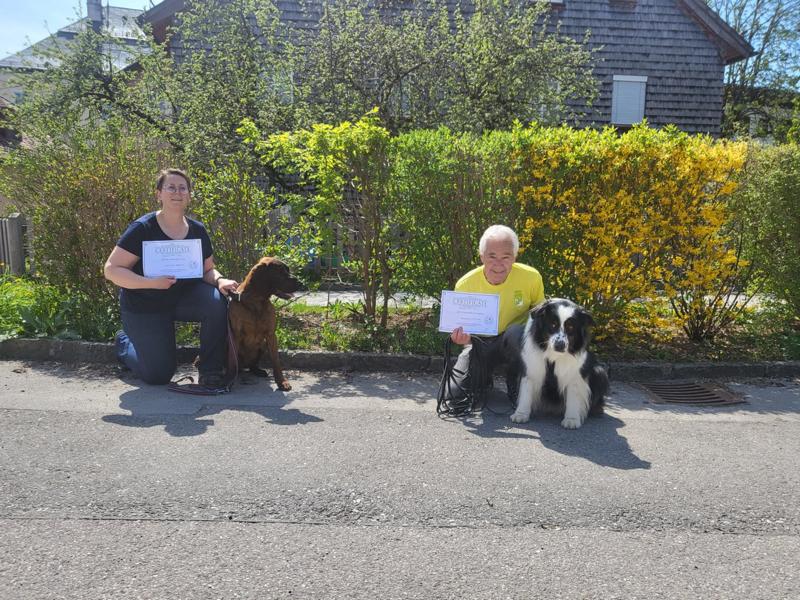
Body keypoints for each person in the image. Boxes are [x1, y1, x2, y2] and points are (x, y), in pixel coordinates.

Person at [104, 168, 238, 387]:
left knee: (216, 301)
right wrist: (151, 283)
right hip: (145, 304)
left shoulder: (197, 230)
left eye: (183, 188)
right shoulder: (142, 229)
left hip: (183, 298)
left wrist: (220, 280)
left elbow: (207, 270)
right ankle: (124, 344)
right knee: (157, 376)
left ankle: (210, 370)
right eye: (171, 187)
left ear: (189, 195)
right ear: (159, 194)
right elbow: (111, 269)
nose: (178, 192)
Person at [445, 224, 545, 400]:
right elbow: (461, 328)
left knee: (516, 332)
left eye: (505, 257)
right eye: (492, 256)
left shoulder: (531, 277)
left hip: (515, 343)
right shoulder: (465, 284)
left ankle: (517, 386)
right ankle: (483, 379)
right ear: (482, 256)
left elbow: (541, 318)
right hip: (479, 344)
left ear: (514, 257)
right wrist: (462, 339)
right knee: (454, 397)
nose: (498, 264)